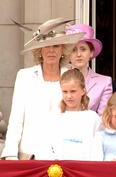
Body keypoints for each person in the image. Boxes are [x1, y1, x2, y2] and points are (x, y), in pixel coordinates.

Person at [1, 18, 84, 160]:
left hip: (63, 157)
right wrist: (10, 155)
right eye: (46, 46)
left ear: (62, 50)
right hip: (29, 156)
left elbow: (77, 119)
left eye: (56, 46)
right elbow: (16, 120)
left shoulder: (71, 76)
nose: (51, 51)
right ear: (39, 51)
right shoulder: (25, 77)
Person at [47, 68, 101, 160]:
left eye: (73, 91)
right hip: (59, 170)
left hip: (85, 170)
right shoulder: (55, 117)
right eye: (65, 92)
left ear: (83, 90)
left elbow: (98, 150)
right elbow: (47, 146)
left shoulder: (92, 118)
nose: (69, 96)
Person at [67, 24, 113, 116]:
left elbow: (103, 118)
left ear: (91, 52)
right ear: (68, 54)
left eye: (83, 49)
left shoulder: (104, 82)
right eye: (74, 50)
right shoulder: (59, 79)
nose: (79, 54)